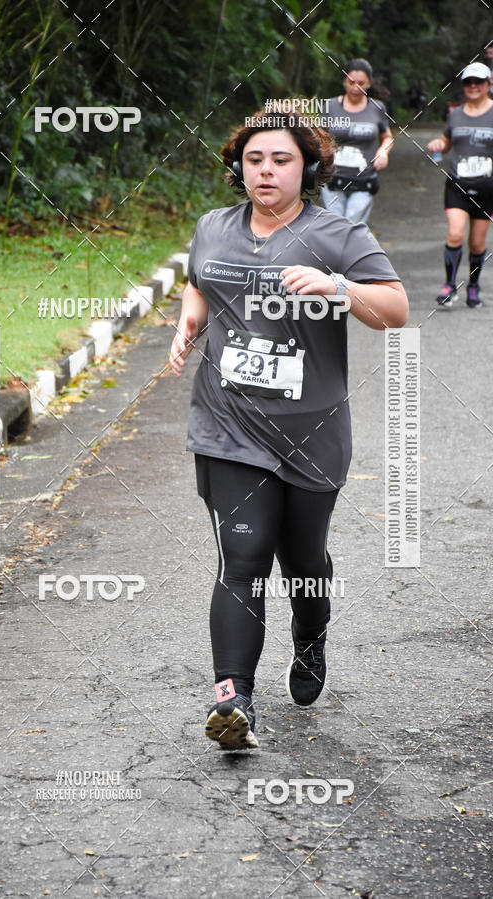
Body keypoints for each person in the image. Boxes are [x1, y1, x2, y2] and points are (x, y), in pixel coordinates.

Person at [169, 110, 408, 750]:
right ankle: (233, 701)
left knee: (302, 563)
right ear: (238, 166)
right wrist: (188, 323)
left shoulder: (335, 235)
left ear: (307, 166)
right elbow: (201, 284)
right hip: (228, 426)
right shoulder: (212, 229)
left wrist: (337, 286)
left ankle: (310, 638)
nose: (266, 171)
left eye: (280, 160)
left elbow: (395, 309)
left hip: (312, 433)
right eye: (254, 160)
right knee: (241, 559)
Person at [428, 62, 493, 309]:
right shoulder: (455, 113)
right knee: (455, 233)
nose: (473, 86)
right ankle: (449, 286)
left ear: (488, 84)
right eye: (468, 82)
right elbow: (446, 142)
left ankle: (473, 286)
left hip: (487, 189)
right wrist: (438, 144)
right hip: (457, 185)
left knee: (477, 243)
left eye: (479, 82)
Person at [321, 58, 393, 224]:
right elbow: (318, 138)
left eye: (361, 83)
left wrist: (383, 151)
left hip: (364, 179)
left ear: (369, 83)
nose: (356, 87)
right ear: (344, 81)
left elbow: (387, 137)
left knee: (352, 224)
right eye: (351, 82)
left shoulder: (377, 107)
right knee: (336, 227)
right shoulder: (329, 106)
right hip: (332, 180)